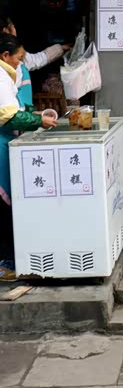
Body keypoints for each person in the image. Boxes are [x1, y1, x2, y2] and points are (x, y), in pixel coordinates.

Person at [0, 34, 57, 277]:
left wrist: (37, 114)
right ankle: (7, 262)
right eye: (19, 58)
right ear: (5, 56)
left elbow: (17, 108)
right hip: (2, 141)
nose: (21, 62)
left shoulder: (8, 74)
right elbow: (10, 116)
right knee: (4, 207)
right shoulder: (1, 76)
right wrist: (38, 121)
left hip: (6, 140)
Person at [0, 16, 70, 109]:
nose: (15, 32)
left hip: (22, 114)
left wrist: (61, 48)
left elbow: (34, 60)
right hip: (16, 115)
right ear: (5, 30)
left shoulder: (14, 54)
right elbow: (8, 111)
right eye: (13, 28)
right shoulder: (3, 74)